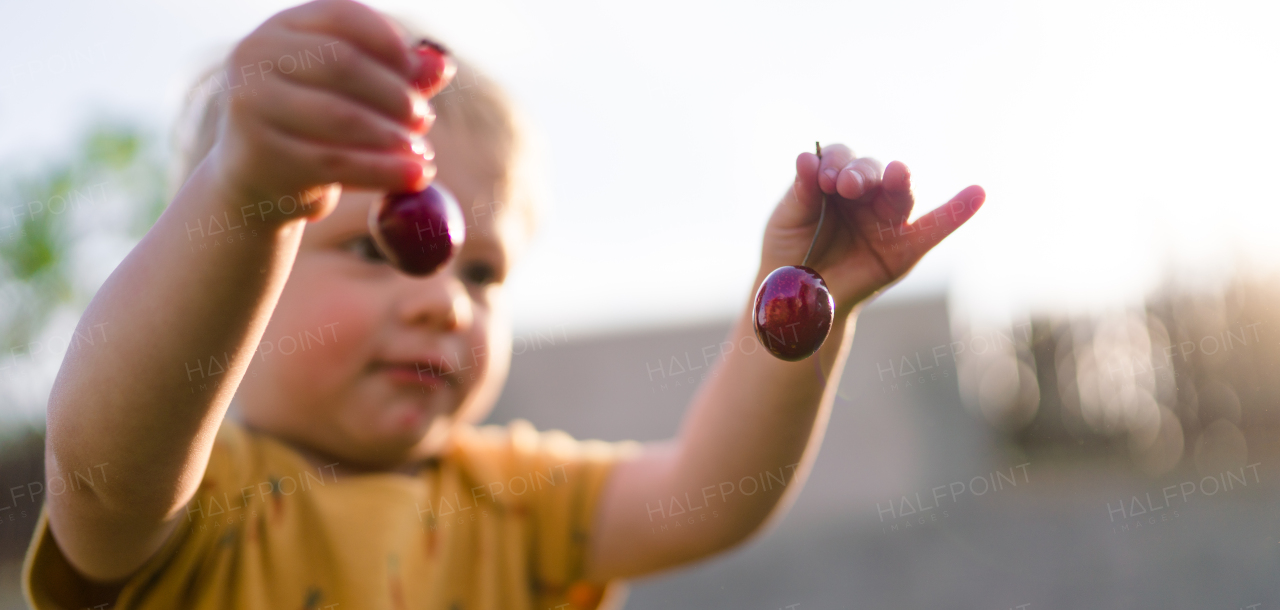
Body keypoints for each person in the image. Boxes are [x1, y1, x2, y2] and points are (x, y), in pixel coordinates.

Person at [22, 0, 985, 608]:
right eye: (374, 244)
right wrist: (247, 199)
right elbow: (105, 473)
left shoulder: (515, 500)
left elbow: (710, 495)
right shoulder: (196, 499)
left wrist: (808, 306)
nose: (446, 303)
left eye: (484, 273)